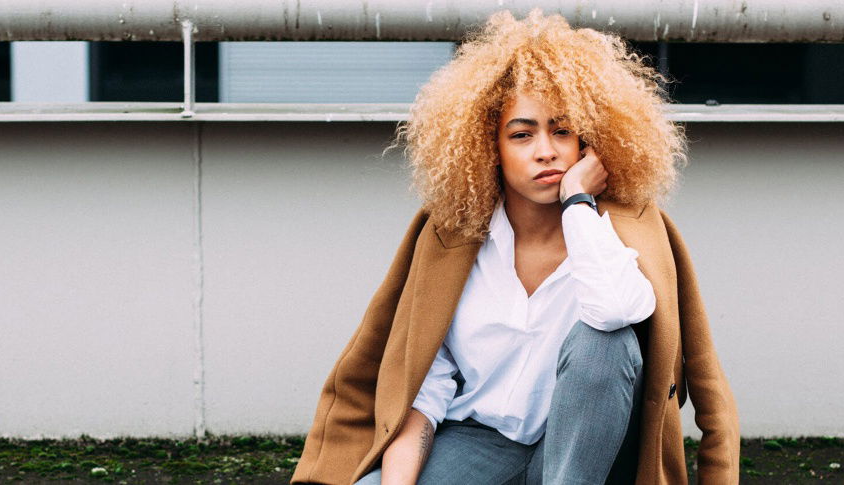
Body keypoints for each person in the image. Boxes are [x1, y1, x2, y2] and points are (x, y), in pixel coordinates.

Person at [292, 8, 739, 485]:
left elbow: (617, 314)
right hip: (477, 441)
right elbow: (423, 389)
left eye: (562, 130)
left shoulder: (629, 229)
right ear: (489, 148)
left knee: (603, 341)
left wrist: (578, 202)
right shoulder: (453, 238)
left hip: (586, 457)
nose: (545, 150)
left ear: (588, 141)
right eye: (522, 134)